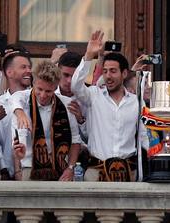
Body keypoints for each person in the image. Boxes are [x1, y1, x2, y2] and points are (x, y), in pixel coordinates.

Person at [73, 30, 150, 182]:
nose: (108, 76)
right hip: (96, 173)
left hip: (128, 172)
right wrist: (89, 56)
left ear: (124, 74)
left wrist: (159, 152)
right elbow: (75, 86)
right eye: (106, 71)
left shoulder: (136, 101)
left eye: (113, 71)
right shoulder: (94, 95)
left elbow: (144, 135)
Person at [9, 61, 84, 181]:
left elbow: (75, 140)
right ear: (33, 83)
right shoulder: (22, 101)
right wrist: (19, 111)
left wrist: (70, 167)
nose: (43, 95)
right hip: (30, 167)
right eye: (39, 89)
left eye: (48, 91)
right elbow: (14, 99)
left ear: (55, 88)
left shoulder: (65, 104)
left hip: (60, 168)